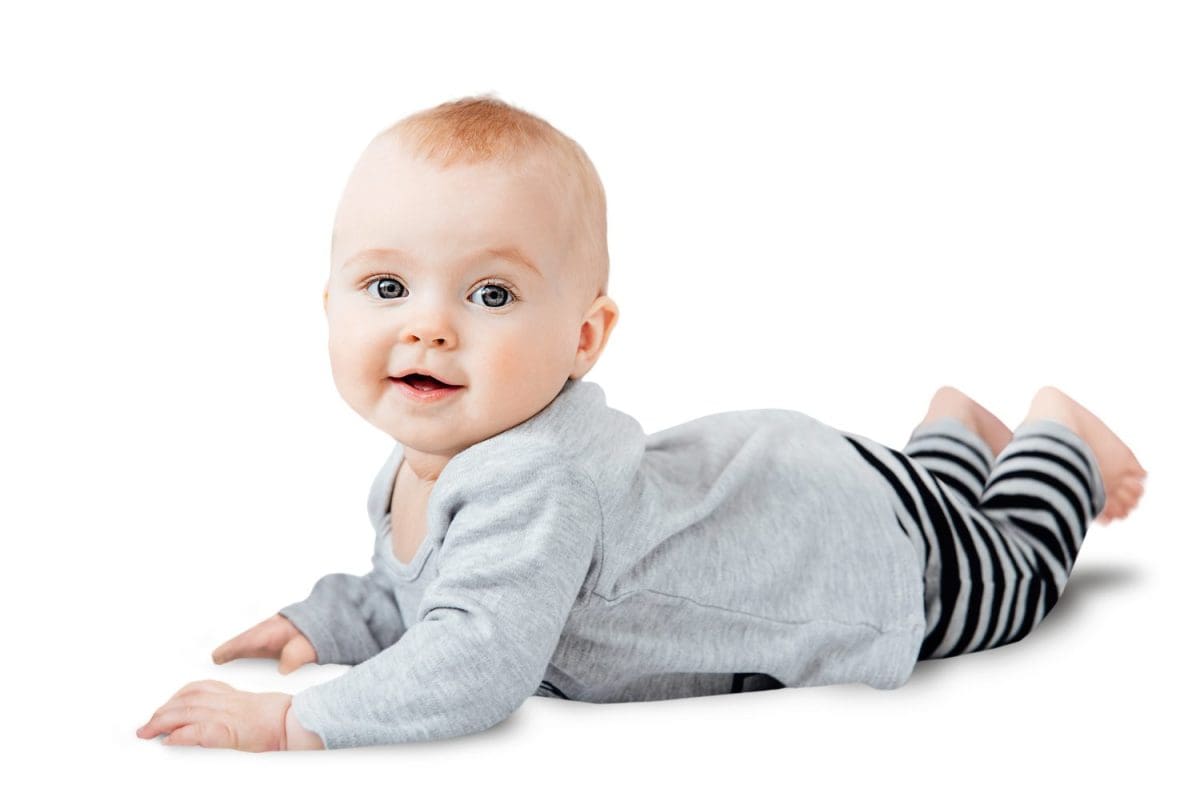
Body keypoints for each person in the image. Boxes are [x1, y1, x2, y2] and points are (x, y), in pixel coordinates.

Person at [135, 95, 1147, 752]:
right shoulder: (433, 453)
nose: (429, 328)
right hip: (787, 486)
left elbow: (478, 658)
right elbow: (439, 590)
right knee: (932, 502)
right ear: (329, 307)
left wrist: (292, 722)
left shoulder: (535, 482)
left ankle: (1055, 436)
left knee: (1008, 578)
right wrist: (336, 614)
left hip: (847, 559)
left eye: (491, 296)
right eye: (388, 285)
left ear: (583, 336)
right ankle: (953, 437)